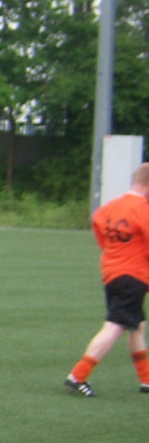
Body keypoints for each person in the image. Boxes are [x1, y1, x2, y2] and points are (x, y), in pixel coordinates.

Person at [66, 162, 149, 396]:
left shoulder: (109, 208)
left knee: (136, 325)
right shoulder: (143, 209)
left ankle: (146, 379)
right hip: (133, 275)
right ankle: (78, 376)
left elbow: (101, 235)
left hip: (112, 273)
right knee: (115, 326)